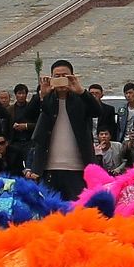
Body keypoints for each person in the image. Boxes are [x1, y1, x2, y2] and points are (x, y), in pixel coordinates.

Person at [28, 59, 102, 202]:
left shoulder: (81, 98)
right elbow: (29, 115)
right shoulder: (47, 99)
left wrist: (81, 91)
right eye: (57, 76)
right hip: (48, 168)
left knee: (77, 212)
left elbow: (97, 111)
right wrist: (42, 96)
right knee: (49, 212)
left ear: (72, 77)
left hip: (78, 168)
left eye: (65, 76)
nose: (61, 79)